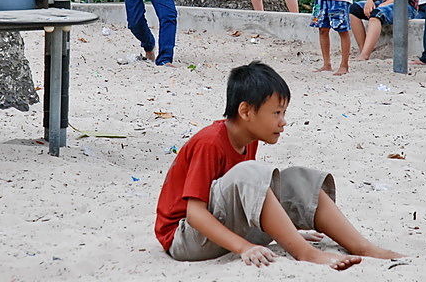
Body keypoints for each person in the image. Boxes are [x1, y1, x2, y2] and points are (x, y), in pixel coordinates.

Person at [155, 61, 402, 269]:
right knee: (251, 173)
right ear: (246, 111)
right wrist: (245, 247)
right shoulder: (210, 142)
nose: (283, 122)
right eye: (276, 113)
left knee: (295, 178)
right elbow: (195, 215)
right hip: (186, 239)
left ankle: (362, 246)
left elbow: (248, 198)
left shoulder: (248, 139)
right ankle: (308, 254)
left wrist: (287, 234)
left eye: (284, 112)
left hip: (221, 229)